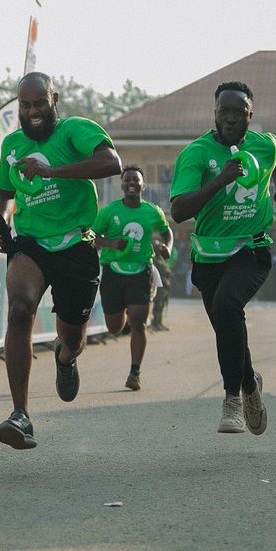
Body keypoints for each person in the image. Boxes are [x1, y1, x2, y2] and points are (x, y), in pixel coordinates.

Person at [0, 71, 122, 450]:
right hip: (30, 243)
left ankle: (65, 358)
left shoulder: (75, 131)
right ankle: (21, 415)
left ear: (54, 100)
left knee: (73, 337)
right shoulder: (11, 145)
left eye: (39, 104)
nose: (32, 112)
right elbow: (2, 193)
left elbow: (112, 162)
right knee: (19, 310)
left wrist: (53, 171)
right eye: (25, 105)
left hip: (76, 244)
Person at [170, 81, 276, 435]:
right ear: (215, 114)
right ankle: (250, 383)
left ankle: (232, 401)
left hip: (252, 247)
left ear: (249, 116)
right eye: (223, 112)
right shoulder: (196, 153)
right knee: (227, 323)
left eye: (237, 113)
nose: (229, 119)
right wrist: (219, 180)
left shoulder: (263, 143)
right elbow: (178, 211)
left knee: (227, 306)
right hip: (209, 256)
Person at [92, 165, 172, 391]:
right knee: (115, 327)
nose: (131, 184)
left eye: (136, 180)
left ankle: (135, 372)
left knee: (139, 323)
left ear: (142, 185)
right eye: (127, 180)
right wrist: (110, 243)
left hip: (140, 271)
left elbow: (166, 232)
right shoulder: (109, 212)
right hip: (113, 272)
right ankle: (124, 316)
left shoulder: (152, 211)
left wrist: (167, 246)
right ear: (122, 184)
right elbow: (91, 235)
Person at [148, 235, 173, 331]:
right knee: (157, 304)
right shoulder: (154, 260)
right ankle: (155, 323)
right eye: (157, 248)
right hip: (158, 285)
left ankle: (159, 322)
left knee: (162, 304)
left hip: (165, 285)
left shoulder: (161, 259)